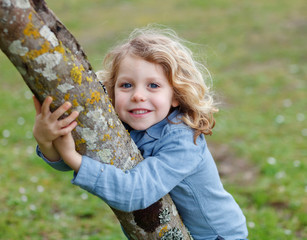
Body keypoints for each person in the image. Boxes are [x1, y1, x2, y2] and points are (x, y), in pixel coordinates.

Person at [33, 27, 248, 240]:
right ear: (112, 90)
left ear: (175, 95)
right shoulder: (122, 124)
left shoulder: (183, 140)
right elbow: (76, 159)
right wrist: (46, 140)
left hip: (217, 236)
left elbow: (136, 192)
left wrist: (72, 157)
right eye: (126, 85)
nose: (137, 95)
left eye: (153, 85)